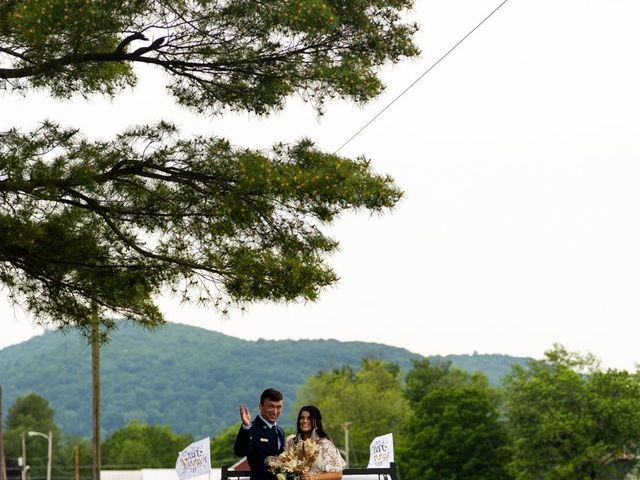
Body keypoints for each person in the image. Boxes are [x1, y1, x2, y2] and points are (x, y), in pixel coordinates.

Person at [234, 388, 285, 480]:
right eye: (271, 406)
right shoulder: (252, 428)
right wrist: (246, 426)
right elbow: (240, 451)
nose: (275, 411)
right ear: (260, 406)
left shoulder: (281, 431)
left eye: (279, 407)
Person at [286, 405, 346, 480]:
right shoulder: (291, 442)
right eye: (302, 418)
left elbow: (338, 474)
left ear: (317, 421)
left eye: (309, 418)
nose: (304, 421)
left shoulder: (325, 444)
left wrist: (315, 477)